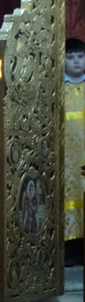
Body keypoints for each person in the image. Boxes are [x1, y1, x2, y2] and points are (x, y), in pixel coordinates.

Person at [64, 37, 85, 265]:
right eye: (70, 57)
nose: (76, 62)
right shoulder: (59, 90)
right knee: (69, 199)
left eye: (80, 56)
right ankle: (70, 250)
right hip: (68, 158)